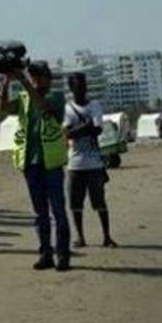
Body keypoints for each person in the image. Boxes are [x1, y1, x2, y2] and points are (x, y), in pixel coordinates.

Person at [1, 61, 71, 270]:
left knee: (58, 211)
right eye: (33, 76)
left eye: (39, 75)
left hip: (51, 163)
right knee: (40, 212)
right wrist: (6, 83)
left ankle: (63, 255)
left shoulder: (56, 97)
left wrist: (24, 82)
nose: (36, 79)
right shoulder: (24, 98)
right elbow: (4, 108)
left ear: (49, 78)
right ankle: (45, 253)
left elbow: (44, 108)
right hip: (31, 162)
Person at [64, 72, 117, 248]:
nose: (82, 89)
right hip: (75, 164)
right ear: (71, 88)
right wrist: (86, 126)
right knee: (75, 203)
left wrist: (81, 129)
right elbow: (68, 134)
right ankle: (80, 237)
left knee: (100, 201)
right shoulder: (67, 108)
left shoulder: (95, 105)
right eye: (78, 86)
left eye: (84, 85)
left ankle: (107, 236)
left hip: (94, 163)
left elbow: (97, 130)